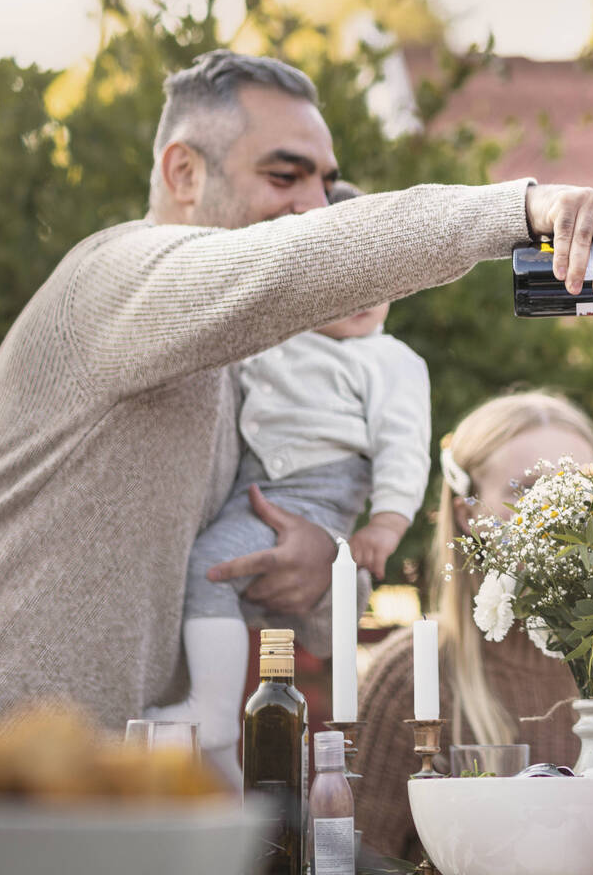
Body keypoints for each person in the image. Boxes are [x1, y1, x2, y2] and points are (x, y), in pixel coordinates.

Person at [0, 50, 593, 744]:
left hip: (82, 783)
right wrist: (519, 210)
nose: (317, 209)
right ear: (183, 174)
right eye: (284, 176)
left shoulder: (260, 370)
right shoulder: (113, 278)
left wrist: (321, 561)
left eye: (327, 186)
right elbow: (298, 260)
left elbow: (305, 616)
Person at [144, 181, 432, 771]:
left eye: (379, 279)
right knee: (209, 578)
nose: (364, 295)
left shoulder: (389, 359)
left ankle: (215, 709)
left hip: (318, 495)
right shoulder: (276, 337)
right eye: (343, 278)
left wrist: (386, 523)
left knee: (209, 569)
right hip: (256, 484)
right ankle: (221, 758)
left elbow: (405, 445)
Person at [354, 391, 593, 866]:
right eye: (525, 490)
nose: (561, 515)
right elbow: (357, 858)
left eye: (582, 489)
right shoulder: (409, 676)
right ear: (467, 514)